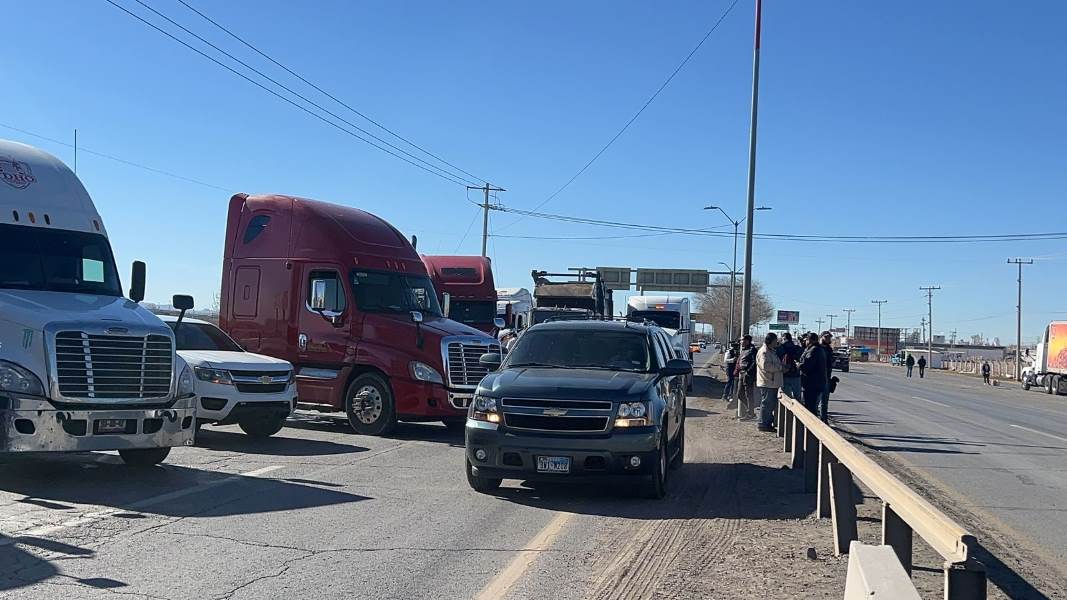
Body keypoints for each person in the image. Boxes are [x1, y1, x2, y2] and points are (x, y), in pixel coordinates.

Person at [756, 332, 784, 432]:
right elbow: (766, 366)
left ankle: (766, 422)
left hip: (772, 382)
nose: (777, 343)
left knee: (770, 404)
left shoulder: (771, 351)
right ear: (770, 341)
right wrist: (780, 368)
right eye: (775, 341)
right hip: (767, 382)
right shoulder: (764, 352)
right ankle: (763, 424)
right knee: (767, 404)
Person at [798, 332, 828, 416]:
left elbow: (807, 366)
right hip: (816, 383)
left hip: (812, 384)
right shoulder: (818, 349)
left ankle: (809, 427)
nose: (805, 342)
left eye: (806, 340)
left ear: (809, 340)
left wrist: (799, 365)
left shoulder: (813, 350)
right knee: (811, 406)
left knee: (810, 408)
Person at [734, 335, 757, 418]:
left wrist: (748, 372)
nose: (740, 342)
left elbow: (755, 362)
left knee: (749, 394)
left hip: (748, 375)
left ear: (747, 341)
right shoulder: (743, 350)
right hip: (741, 373)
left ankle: (751, 413)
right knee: (739, 394)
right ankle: (750, 410)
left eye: (742, 340)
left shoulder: (752, 350)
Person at [777, 332, 803, 400]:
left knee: (786, 399)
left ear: (783, 338)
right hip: (796, 375)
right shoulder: (797, 348)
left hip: (784, 375)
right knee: (797, 398)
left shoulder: (780, 348)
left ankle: (787, 410)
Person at [818, 331, 835, 422]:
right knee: (816, 401)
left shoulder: (829, 349)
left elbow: (830, 363)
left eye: (829, 337)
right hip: (817, 379)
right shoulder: (817, 348)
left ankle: (823, 420)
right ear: (821, 338)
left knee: (825, 402)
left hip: (827, 378)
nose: (828, 339)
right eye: (826, 337)